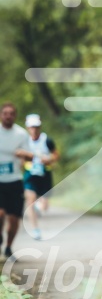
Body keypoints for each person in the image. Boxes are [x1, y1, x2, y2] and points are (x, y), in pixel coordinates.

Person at [0, 102, 32, 258]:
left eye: (11, 113)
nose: (8, 116)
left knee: (13, 219)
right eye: (5, 113)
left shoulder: (21, 134)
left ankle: (8, 247)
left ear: (15, 116)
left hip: (14, 181)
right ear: (1, 115)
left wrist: (23, 153)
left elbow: (31, 155)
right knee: (0, 214)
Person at [24, 114, 60, 240]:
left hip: (45, 174)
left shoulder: (47, 140)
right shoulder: (24, 141)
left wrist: (48, 159)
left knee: (44, 206)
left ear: (39, 127)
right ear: (28, 128)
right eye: (31, 127)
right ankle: (35, 230)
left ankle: (38, 207)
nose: (34, 129)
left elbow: (56, 155)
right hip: (30, 174)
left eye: (36, 127)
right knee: (30, 199)